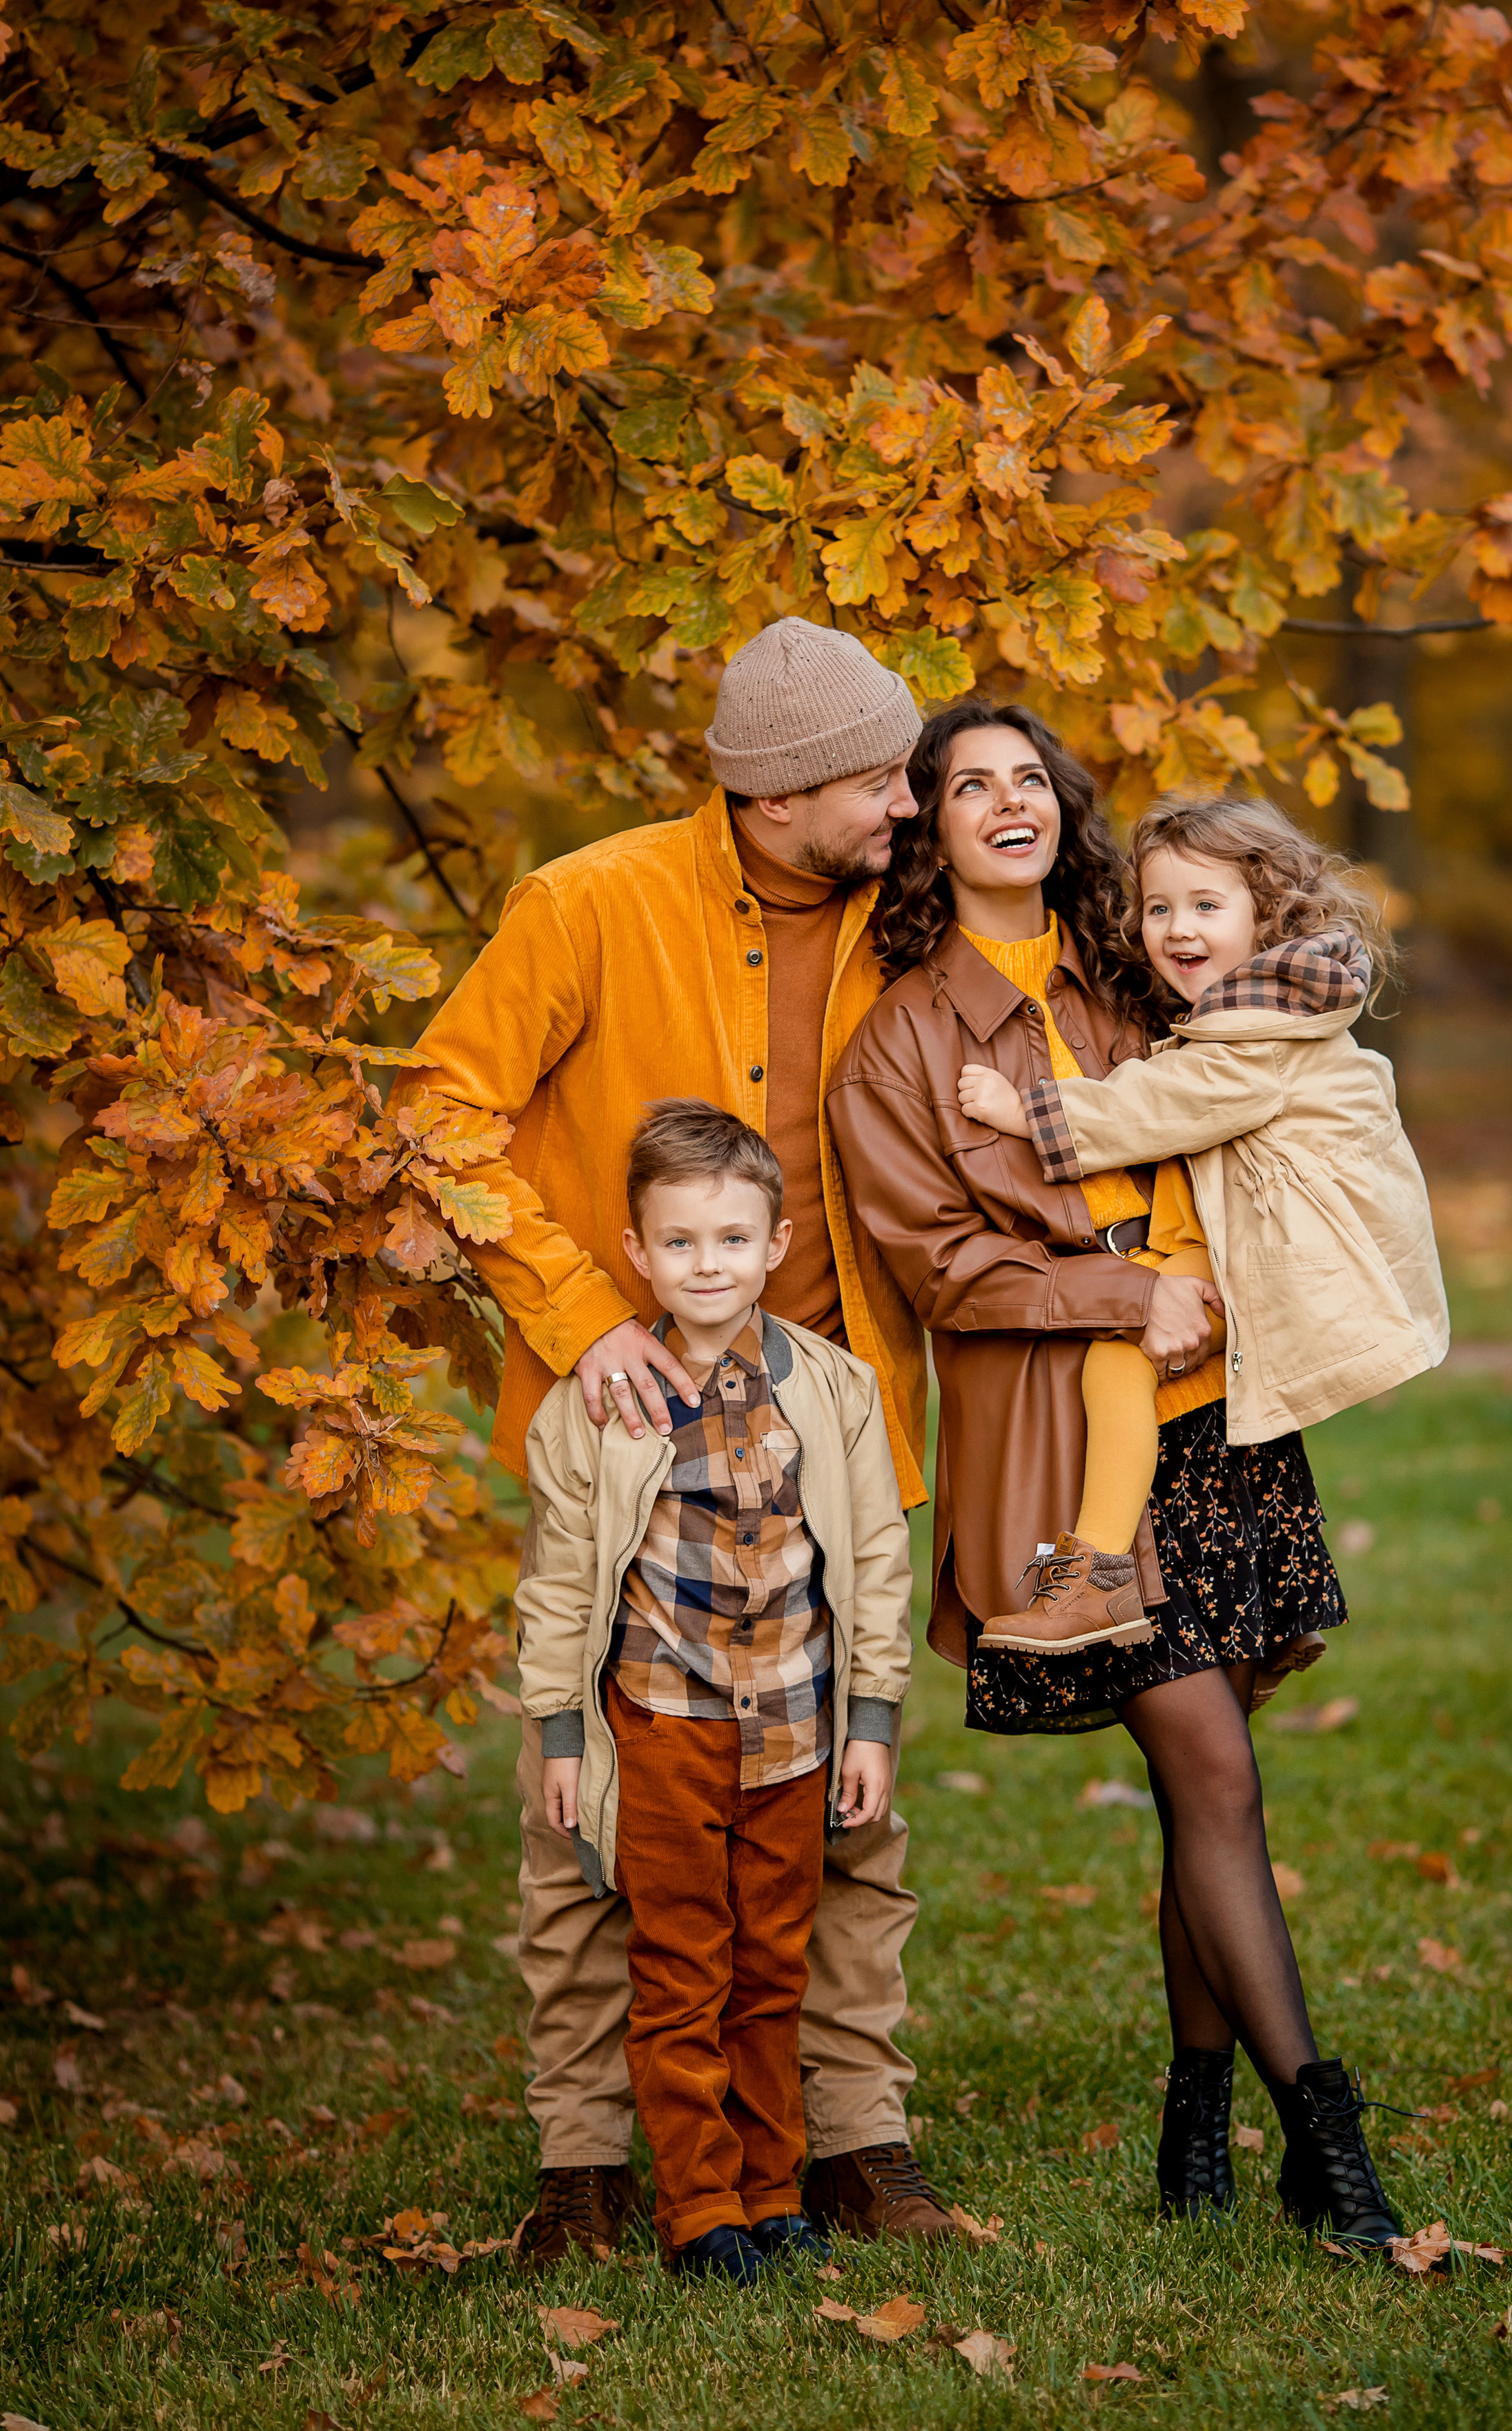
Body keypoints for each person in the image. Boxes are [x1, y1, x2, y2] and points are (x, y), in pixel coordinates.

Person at [403, 616, 964, 2260]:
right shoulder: (586, 902)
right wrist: (583, 1319)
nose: (904, 805)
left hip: (834, 1420)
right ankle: (584, 2161)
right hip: (625, 1434)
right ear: (784, 791)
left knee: (844, 1810)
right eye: (876, 779)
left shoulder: (904, 919)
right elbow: (438, 1109)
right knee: (585, 1818)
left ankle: (854, 2135)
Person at [826, 701, 1410, 2253]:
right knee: (1212, 1774)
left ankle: (1190, 2130)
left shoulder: (1141, 972)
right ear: (925, 827)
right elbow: (940, 1264)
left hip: (1220, 1429)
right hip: (1059, 1453)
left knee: (1194, 1783)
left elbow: (1268, 1063)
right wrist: (1120, 1296)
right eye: (967, 786)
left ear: (1059, 809)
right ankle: (1323, 2143)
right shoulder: (897, 1043)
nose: (1004, 803)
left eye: (1028, 779)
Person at [518, 1102, 913, 2285]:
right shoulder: (597, 1403)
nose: (708, 1265)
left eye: (733, 1241)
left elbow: (879, 1558)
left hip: (795, 1726)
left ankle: (773, 2187)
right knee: (684, 1964)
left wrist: (874, 1720)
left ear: (777, 1242)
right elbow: (555, 1583)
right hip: (664, 1726)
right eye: (681, 1243)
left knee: (773, 1966)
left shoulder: (835, 1390)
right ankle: (700, 2209)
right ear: (637, 1251)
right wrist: (559, 1736)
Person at [956, 790, 1449, 1651]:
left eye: (1206, 906)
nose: (1176, 928)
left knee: (1117, 1361)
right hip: (1236, 1240)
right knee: (1176, 1386)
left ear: (1269, 916)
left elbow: (1161, 1105)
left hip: (1287, 1254)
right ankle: (1270, 1604)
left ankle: (1099, 1575)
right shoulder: (1265, 1000)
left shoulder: (1262, 1029)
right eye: (1158, 908)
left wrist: (1023, 1109)